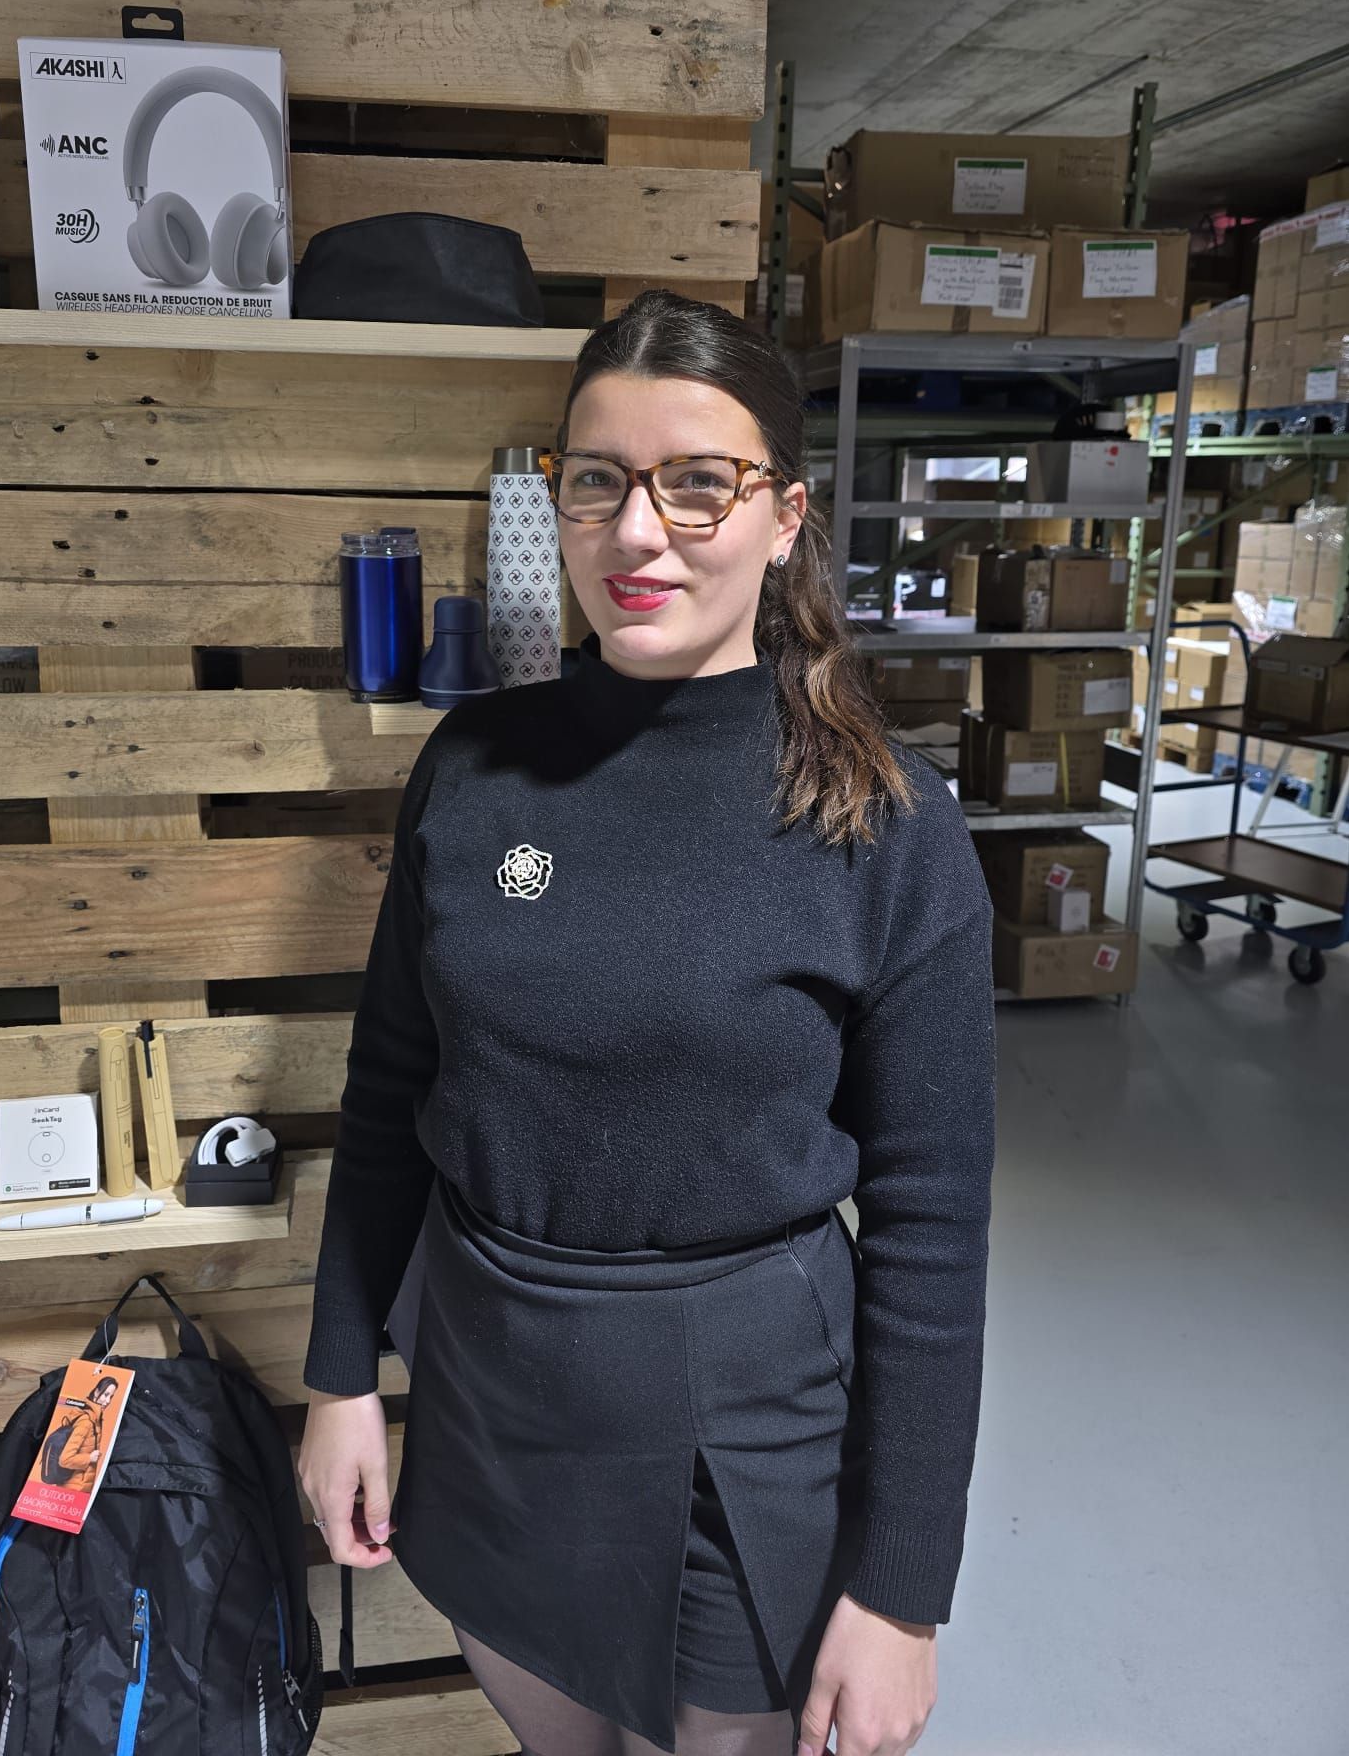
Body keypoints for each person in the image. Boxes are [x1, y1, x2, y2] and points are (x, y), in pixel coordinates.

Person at [299, 289, 997, 1756]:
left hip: (743, 1424)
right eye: (597, 481)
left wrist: (904, 1593)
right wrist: (343, 1377)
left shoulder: (886, 822)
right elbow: (388, 1094)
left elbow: (934, 1226)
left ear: (785, 513)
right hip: (494, 1396)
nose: (637, 533)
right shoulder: (475, 768)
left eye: (697, 482)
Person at [45, 1374, 119, 1492]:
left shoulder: (93, 1417)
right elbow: (65, 1459)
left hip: (76, 1486)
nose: (108, 1401)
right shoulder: (86, 1421)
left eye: (111, 1396)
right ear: (96, 1392)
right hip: (76, 1489)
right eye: (105, 1394)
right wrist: (89, 1458)